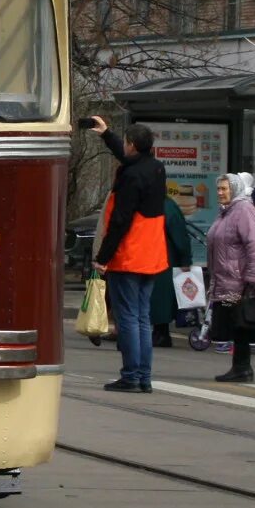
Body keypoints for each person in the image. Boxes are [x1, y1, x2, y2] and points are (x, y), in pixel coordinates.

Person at [87, 116, 169, 393]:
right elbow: (131, 159)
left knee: (128, 318)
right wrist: (107, 134)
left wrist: (103, 257)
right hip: (152, 253)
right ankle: (143, 376)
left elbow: (120, 220)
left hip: (129, 254)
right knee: (143, 317)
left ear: (132, 144)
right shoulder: (156, 168)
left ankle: (131, 375)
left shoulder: (131, 175)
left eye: (124, 142)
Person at [206, 172, 255, 382]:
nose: (220, 193)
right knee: (235, 323)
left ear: (235, 189)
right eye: (219, 189)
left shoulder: (244, 210)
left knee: (241, 322)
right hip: (227, 279)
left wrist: (252, 277)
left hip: (240, 280)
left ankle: (243, 367)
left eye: (224, 188)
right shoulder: (227, 212)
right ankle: (240, 367)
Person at [149, 196, 194, 349]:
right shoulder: (166, 205)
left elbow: (180, 236)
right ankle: (160, 332)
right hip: (160, 258)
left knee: (161, 298)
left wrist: (185, 259)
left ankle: (161, 333)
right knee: (160, 298)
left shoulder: (165, 206)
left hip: (162, 259)